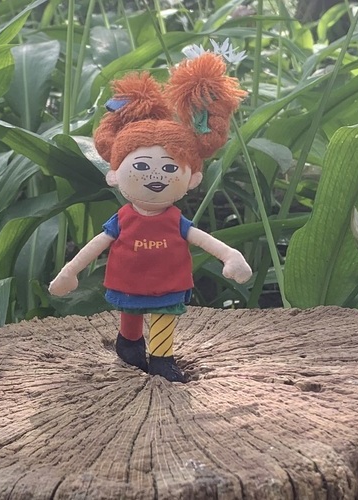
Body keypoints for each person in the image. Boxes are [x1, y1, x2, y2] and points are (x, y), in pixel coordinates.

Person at [47, 51, 252, 382]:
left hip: (168, 281)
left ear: (192, 178)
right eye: (141, 166)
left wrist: (230, 255)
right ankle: (129, 343)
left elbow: (203, 239)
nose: (155, 175)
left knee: (163, 317)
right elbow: (97, 244)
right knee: (130, 313)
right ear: (115, 175)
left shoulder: (174, 220)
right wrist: (71, 271)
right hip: (128, 280)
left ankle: (161, 358)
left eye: (170, 168)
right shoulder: (124, 218)